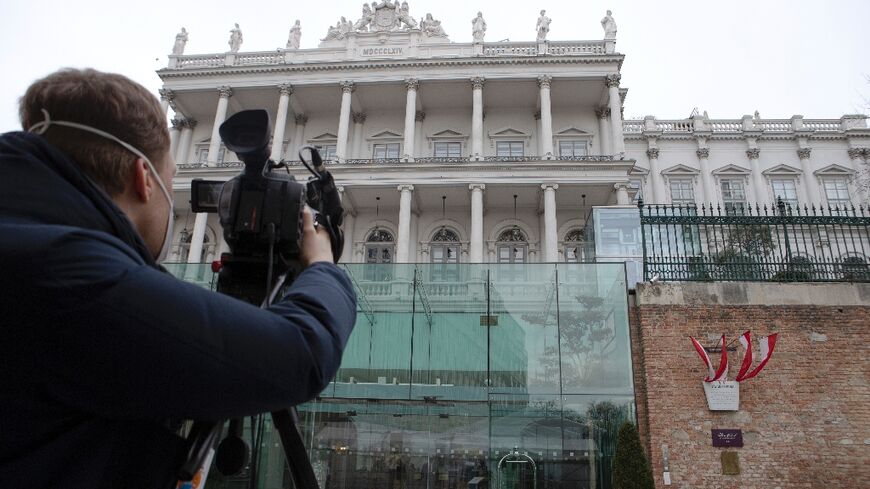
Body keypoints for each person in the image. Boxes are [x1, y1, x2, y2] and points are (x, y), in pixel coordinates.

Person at [0, 68, 357, 488]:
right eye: (171, 180)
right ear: (143, 180)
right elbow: (301, 354)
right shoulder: (72, 276)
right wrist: (322, 266)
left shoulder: (33, 245)